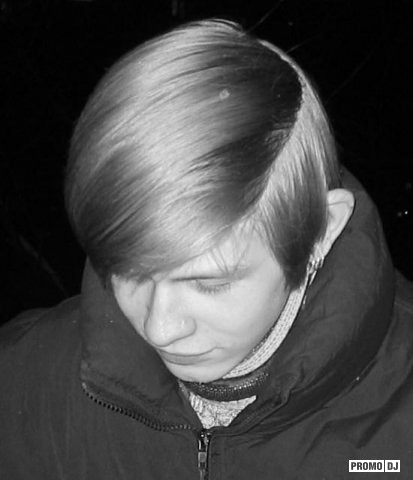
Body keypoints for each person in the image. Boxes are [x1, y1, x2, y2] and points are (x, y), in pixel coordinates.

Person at [1, 18, 412, 479]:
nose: (159, 328)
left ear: (319, 232)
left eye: (209, 283)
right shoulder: (24, 382)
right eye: (129, 270)